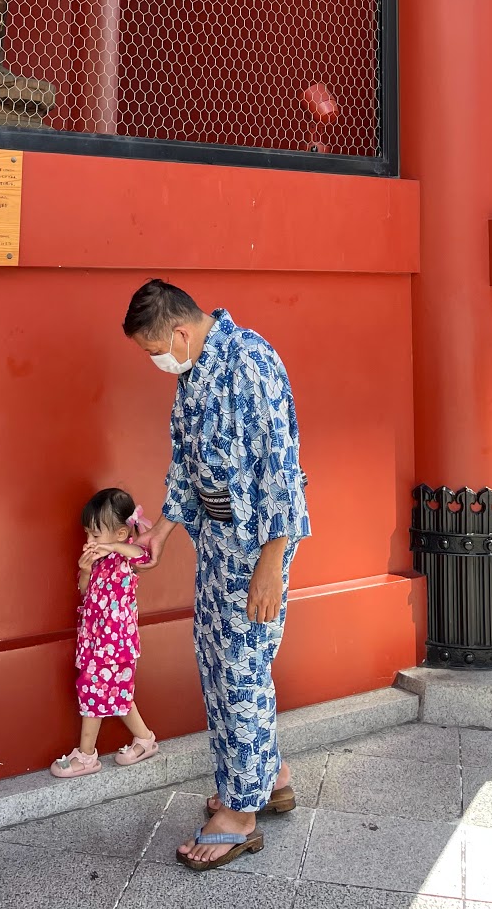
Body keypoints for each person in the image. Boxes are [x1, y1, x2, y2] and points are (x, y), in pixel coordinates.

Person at [125, 280, 309, 872]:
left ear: (180, 332)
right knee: (219, 656)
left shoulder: (251, 362)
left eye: (155, 348)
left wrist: (271, 567)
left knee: (240, 668)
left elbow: (282, 467)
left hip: (258, 543)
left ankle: (241, 813)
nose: (157, 361)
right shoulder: (193, 373)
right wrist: (160, 532)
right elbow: (185, 463)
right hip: (217, 540)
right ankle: (266, 775)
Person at [51, 488, 156, 779]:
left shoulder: (126, 557)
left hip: (116, 642)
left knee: (93, 690)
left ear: (121, 534)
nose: (89, 542)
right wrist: (84, 571)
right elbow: (86, 596)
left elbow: (144, 557)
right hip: (95, 640)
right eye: (88, 534)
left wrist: (113, 548)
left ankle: (86, 756)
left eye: (96, 535)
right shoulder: (97, 561)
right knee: (116, 693)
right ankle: (145, 740)